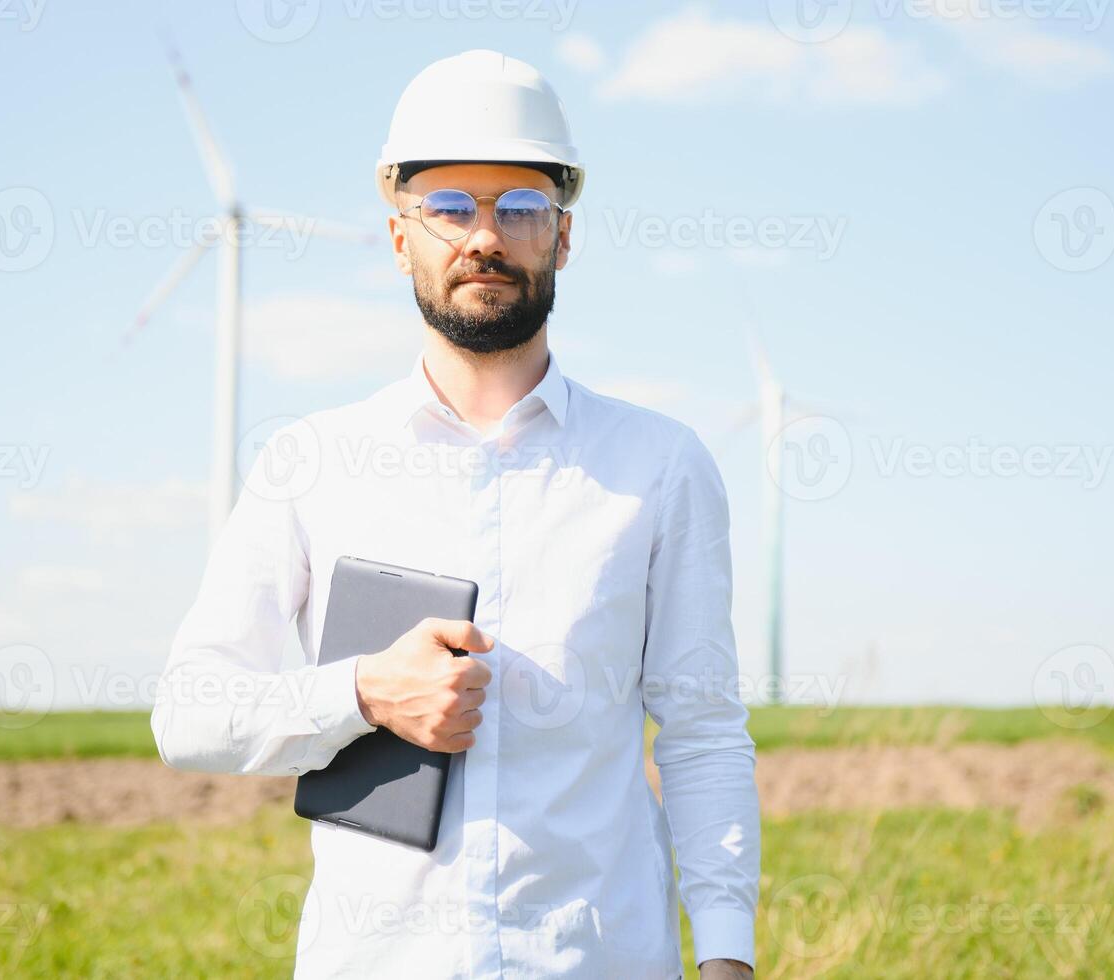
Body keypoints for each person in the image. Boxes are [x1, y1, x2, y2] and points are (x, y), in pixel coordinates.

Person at [151, 49, 759, 979]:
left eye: (519, 207)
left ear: (563, 236)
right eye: (448, 207)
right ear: (400, 237)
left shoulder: (661, 466)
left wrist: (724, 957)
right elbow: (189, 715)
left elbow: (703, 727)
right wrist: (360, 692)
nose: (485, 236)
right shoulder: (307, 463)